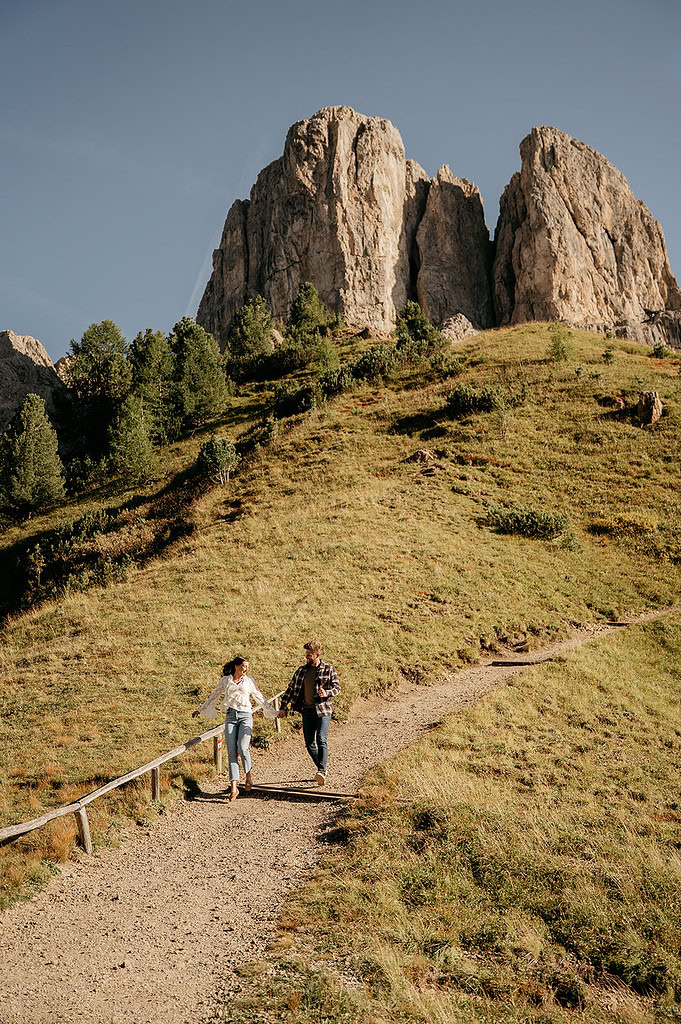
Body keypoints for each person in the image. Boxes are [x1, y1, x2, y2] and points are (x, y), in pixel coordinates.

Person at [192, 656, 273, 802]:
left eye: (247, 666)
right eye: (243, 666)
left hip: (245, 715)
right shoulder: (225, 680)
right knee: (231, 752)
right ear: (236, 666)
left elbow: (259, 697)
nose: (246, 669)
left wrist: (273, 711)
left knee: (242, 747)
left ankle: (248, 776)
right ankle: (234, 787)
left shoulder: (249, 681)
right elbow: (214, 695)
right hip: (230, 716)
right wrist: (201, 709)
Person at [277, 640, 341, 786]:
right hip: (306, 710)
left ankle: (321, 771)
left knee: (321, 739)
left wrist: (327, 693)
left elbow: (337, 688)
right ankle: (322, 768)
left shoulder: (329, 669)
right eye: (306, 654)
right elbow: (290, 690)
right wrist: (283, 707)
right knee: (309, 743)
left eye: (309, 654)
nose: (306, 657)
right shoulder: (301, 671)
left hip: (323, 710)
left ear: (317, 655)